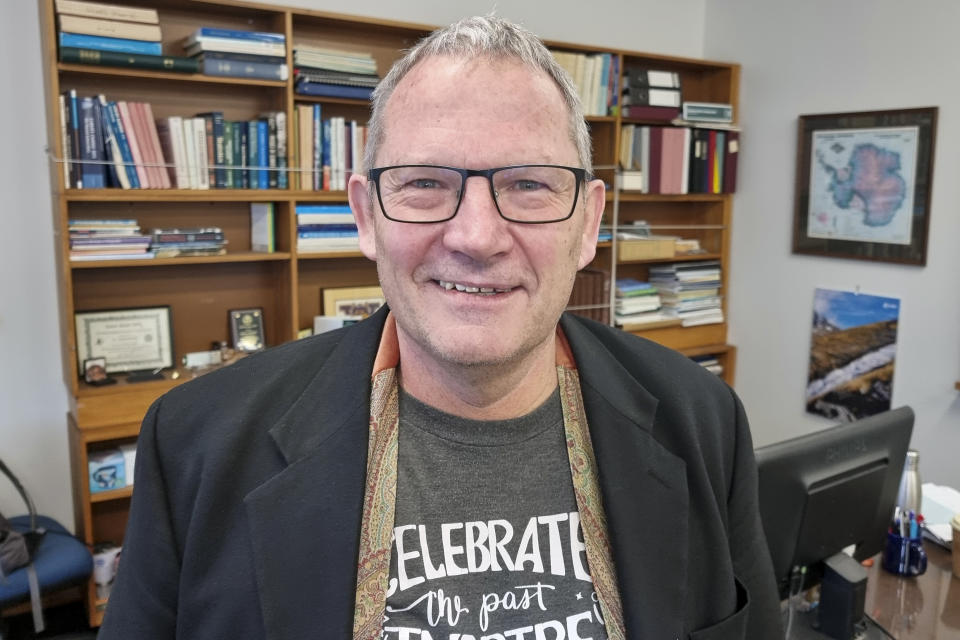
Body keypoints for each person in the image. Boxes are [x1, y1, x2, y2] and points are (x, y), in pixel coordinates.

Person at [99, 15, 783, 640]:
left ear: (588, 224)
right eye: (424, 183)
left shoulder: (704, 422)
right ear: (366, 217)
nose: (477, 236)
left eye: (529, 185)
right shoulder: (198, 444)